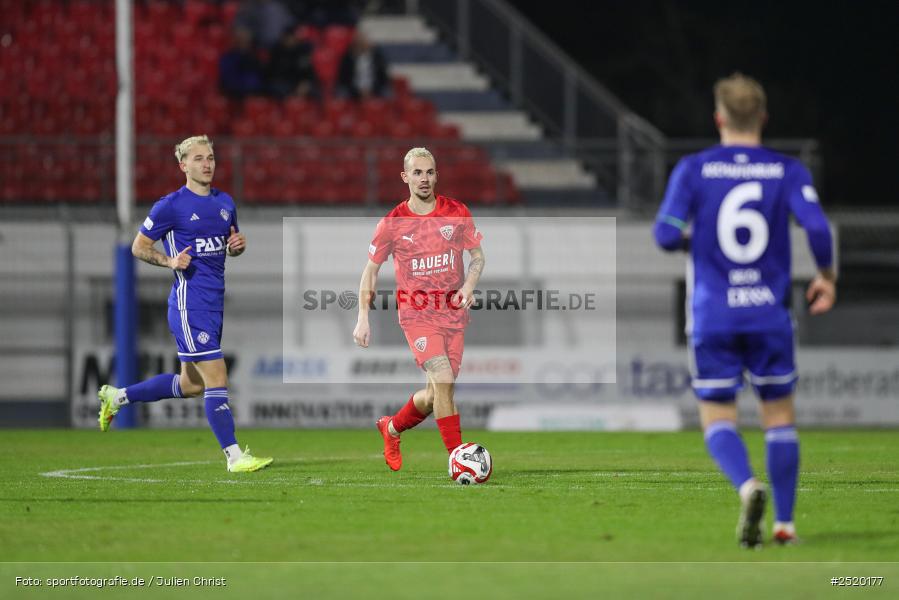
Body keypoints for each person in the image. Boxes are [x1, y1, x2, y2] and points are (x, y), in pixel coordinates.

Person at [653, 73, 836, 547]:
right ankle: (785, 525)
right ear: (763, 117)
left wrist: (698, 242)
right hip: (768, 315)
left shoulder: (694, 169)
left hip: (713, 315)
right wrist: (826, 276)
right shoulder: (786, 170)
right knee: (780, 418)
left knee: (717, 417)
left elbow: (665, 235)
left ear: (719, 118)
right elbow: (818, 228)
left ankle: (747, 485)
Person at [98, 135, 273, 474]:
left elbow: (229, 245)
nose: (207, 164)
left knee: (191, 385)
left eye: (210, 158)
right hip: (189, 304)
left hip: (214, 303)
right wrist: (169, 261)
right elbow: (138, 247)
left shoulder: (225, 203)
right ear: (183, 166)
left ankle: (116, 397)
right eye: (198, 159)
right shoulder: (170, 206)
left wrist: (236, 247)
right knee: (217, 375)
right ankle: (235, 457)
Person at [353, 147, 485, 471]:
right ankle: (458, 459)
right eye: (417, 173)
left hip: (453, 315)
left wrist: (468, 286)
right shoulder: (392, 223)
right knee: (443, 379)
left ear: (436, 175)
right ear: (405, 177)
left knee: (435, 395)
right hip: (417, 316)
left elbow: (477, 256)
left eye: (429, 172)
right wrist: (362, 318)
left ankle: (391, 428)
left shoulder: (456, 212)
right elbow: (371, 271)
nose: (424, 178)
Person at [336, 30, 389, 99]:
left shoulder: (377, 57)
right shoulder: (348, 57)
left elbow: (382, 75)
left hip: (374, 87)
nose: (362, 44)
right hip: (352, 88)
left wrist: (371, 89)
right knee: (341, 94)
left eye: (364, 41)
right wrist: (358, 90)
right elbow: (343, 77)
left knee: (388, 94)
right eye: (360, 42)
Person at [219, 26, 266, 99]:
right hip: (234, 91)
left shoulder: (255, 56)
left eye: (246, 40)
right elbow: (228, 76)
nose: (243, 42)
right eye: (241, 40)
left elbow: (259, 76)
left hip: (253, 90)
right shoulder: (228, 57)